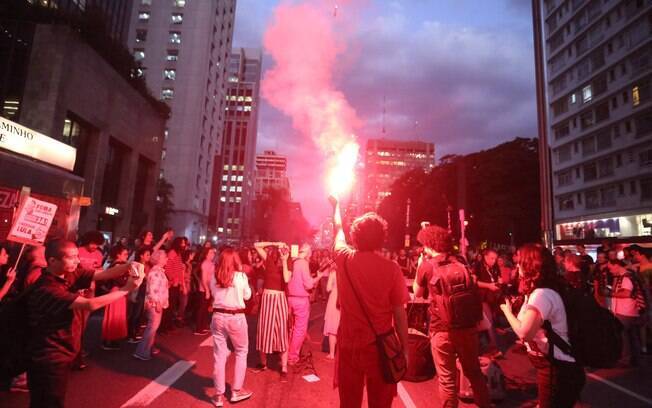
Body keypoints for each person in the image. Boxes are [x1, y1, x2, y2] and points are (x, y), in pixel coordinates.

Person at [26, 240, 141, 407]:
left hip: (62, 353)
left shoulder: (69, 274)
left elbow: (101, 274)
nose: (77, 261)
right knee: (49, 403)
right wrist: (127, 289)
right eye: (71, 258)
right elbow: (90, 304)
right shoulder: (47, 288)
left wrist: (130, 265)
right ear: (52, 261)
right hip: (49, 357)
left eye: (77, 257)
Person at [331, 197, 409, 408]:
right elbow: (400, 315)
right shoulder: (392, 269)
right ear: (382, 239)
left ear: (355, 237)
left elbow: (338, 229)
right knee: (380, 404)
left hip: (349, 346)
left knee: (349, 403)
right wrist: (405, 349)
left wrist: (336, 206)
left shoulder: (344, 258)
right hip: (381, 348)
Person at [413, 225, 490, 408]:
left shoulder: (426, 266)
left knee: (447, 380)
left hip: (441, 329)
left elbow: (418, 293)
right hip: (467, 327)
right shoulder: (461, 261)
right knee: (474, 373)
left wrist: (419, 267)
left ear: (429, 244)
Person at [500, 244, 585, 408]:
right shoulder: (541, 290)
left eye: (520, 262)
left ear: (530, 265)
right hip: (555, 367)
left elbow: (525, 333)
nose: (517, 265)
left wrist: (507, 311)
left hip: (557, 368)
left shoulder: (542, 294)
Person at [208, 247, 253, 407]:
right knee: (241, 352)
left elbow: (214, 294)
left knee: (219, 355)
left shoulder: (215, 276)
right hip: (236, 317)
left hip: (218, 316)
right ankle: (236, 391)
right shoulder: (240, 276)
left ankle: (219, 395)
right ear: (235, 260)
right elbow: (247, 295)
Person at [252, 241, 291, 381]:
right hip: (268, 298)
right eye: (279, 249)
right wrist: (275, 242)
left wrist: (285, 260)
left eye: (283, 248)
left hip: (280, 299)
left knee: (281, 332)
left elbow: (286, 279)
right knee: (264, 330)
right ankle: (263, 364)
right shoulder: (268, 259)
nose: (281, 250)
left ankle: (284, 368)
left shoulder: (288, 262)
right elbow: (256, 245)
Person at [287, 244, 324, 365]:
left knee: (291, 328)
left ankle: (286, 352)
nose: (310, 256)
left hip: (289, 298)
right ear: (308, 252)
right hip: (301, 299)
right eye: (310, 254)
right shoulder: (303, 263)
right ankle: (292, 357)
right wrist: (318, 278)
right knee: (299, 329)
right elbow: (308, 284)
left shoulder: (292, 261)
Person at [134, 249, 168, 361]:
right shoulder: (155, 272)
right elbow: (153, 290)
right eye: (164, 257)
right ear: (158, 259)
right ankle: (142, 351)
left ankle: (147, 349)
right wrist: (158, 302)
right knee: (151, 328)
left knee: (153, 328)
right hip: (154, 305)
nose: (166, 259)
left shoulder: (159, 271)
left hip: (157, 303)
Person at [608, 260, 644, 367]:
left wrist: (611, 294)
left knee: (623, 336)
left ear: (617, 266)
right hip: (631, 311)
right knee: (632, 336)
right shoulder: (625, 276)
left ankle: (625, 360)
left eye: (611, 268)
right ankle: (636, 359)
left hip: (625, 311)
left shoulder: (626, 278)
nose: (610, 270)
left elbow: (626, 293)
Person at [473, 248, 502, 357]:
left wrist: (499, 282)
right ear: (485, 257)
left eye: (495, 258)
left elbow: (498, 278)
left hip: (492, 298)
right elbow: (474, 282)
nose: (494, 261)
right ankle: (494, 349)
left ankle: (480, 347)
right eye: (491, 258)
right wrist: (488, 286)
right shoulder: (477, 266)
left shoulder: (494, 267)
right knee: (489, 322)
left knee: (485, 323)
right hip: (481, 298)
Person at [101, 245, 130, 350]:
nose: (127, 256)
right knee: (114, 316)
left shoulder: (114, 264)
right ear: (118, 255)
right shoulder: (118, 266)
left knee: (114, 316)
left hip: (116, 290)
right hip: (117, 291)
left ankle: (110, 340)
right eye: (125, 254)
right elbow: (121, 281)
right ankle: (109, 341)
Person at [127, 247, 152, 343]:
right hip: (137, 291)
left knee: (140, 312)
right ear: (141, 255)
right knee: (134, 313)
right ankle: (130, 334)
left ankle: (136, 332)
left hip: (143, 291)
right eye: (147, 255)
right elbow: (135, 280)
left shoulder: (147, 265)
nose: (149, 257)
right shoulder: (136, 265)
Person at [163, 237, 188, 331]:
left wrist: (182, 283)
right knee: (168, 306)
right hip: (172, 284)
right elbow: (168, 268)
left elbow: (180, 270)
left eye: (184, 243)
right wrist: (173, 279)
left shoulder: (178, 254)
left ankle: (168, 325)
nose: (184, 245)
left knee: (172, 305)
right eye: (182, 243)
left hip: (176, 284)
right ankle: (164, 326)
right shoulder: (172, 253)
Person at [194, 247, 216, 335]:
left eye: (213, 252)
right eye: (211, 252)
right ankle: (198, 329)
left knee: (206, 308)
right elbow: (203, 278)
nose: (213, 254)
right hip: (204, 289)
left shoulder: (211, 263)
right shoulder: (205, 263)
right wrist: (206, 290)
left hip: (209, 288)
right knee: (202, 309)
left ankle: (203, 326)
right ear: (206, 254)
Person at [323, 266, 340, 360]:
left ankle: (332, 353)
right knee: (341, 327)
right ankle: (340, 354)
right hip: (345, 300)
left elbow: (328, 288)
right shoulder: (348, 271)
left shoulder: (334, 272)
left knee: (332, 328)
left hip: (334, 299)